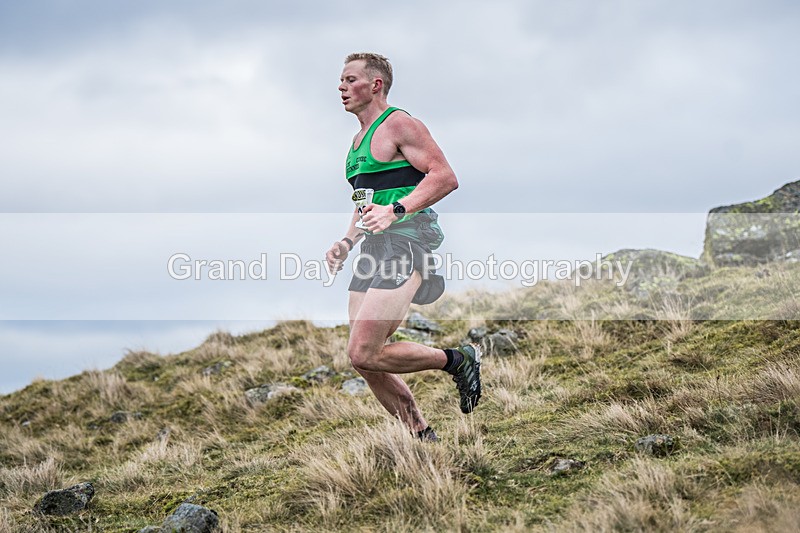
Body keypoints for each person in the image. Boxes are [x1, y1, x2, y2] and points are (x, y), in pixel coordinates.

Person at [325, 52, 481, 441]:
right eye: (341, 80)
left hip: (406, 244)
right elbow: (365, 204)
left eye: (350, 79)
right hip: (372, 250)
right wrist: (347, 241)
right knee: (363, 359)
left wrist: (397, 210)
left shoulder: (400, 124)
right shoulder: (357, 143)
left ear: (375, 84)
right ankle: (421, 433)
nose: (341, 87)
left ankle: (457, 360)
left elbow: (445, 177)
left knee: (364, 350)